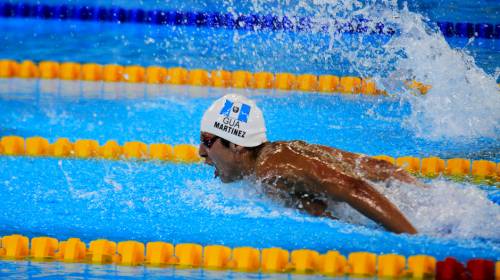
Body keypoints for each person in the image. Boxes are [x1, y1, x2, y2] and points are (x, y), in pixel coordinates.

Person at [198, 94, 419, 234]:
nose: (201, 152)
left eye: (207, 141)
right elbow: (377, 167)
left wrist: (414, 241)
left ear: (236, 144)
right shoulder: (273, 162)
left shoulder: (274, 170)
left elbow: (353, 187)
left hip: (412, 215)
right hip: (412, 199)